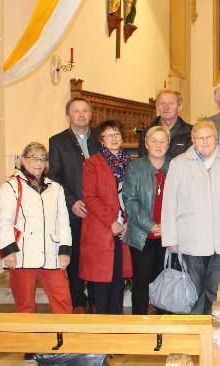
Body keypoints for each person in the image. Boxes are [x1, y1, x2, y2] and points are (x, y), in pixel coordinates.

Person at [163, 121, 220, 315]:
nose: (205, 141)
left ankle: (216, 336)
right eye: (199, 137)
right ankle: (195, 336)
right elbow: (169, 203)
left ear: (217, 139)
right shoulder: (179, 164)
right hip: (191, 240)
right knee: (193, 292)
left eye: (209, 136)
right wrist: (170, 238)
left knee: (218, 292)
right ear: (192, 140)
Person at [0, 142, 72, 315]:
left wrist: (65, 251)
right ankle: (27, 340)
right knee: (25, 305)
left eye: (43, 159)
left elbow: (63, 222)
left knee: (63, 301)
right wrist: (8, 252)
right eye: (34, 158)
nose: (39, 163)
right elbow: (4, 222)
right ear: (24, 160)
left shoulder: (56, 188)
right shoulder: (11, 187)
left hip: (51, 253)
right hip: (22, 254)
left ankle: (65, 338)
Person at [48, 97, 102, 314]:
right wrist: (71, 202)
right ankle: (78, 301)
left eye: (85, 111)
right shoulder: (58, 141)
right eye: (76, 111)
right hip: (74, 211)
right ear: (68, 116)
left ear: (91, 114)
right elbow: (54, 177)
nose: (81, 115)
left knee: (98, 256)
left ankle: (98, 299)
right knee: (77, 257)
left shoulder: (100, 139)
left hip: (98, 211)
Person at [80, 120, 134, 315]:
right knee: (102, 281)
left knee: (119, 279)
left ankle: (117, 326)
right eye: (108, 135)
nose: (113, 138)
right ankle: (102, 327)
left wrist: (128, 222)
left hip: (123, 228)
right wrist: (111, 221)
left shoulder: (130, 163)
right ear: (101, 141)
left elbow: (134, 197)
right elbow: (90, 197)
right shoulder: (92, 163)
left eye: (117, 134)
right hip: (102, 228)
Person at [122, 126, 171, 315]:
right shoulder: (136, 167)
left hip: (168, 234)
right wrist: (150, 225)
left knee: (164, 281)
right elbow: (130, 200)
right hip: (142, 234)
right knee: (142, 281)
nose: (158, 145)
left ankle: (162, 324)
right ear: (146, 144)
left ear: (168, 144)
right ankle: (139, 323)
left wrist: (167, 226)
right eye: (154, 141)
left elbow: (181, 200)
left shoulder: (175, 166)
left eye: (162, 141)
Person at [137, 90, 192, 159]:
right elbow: (142, 162)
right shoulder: (146, 133)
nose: (166, 107)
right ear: (157, 107)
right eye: (162, 103)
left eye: (171, 103)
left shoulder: (191, 133)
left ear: (179, 107)